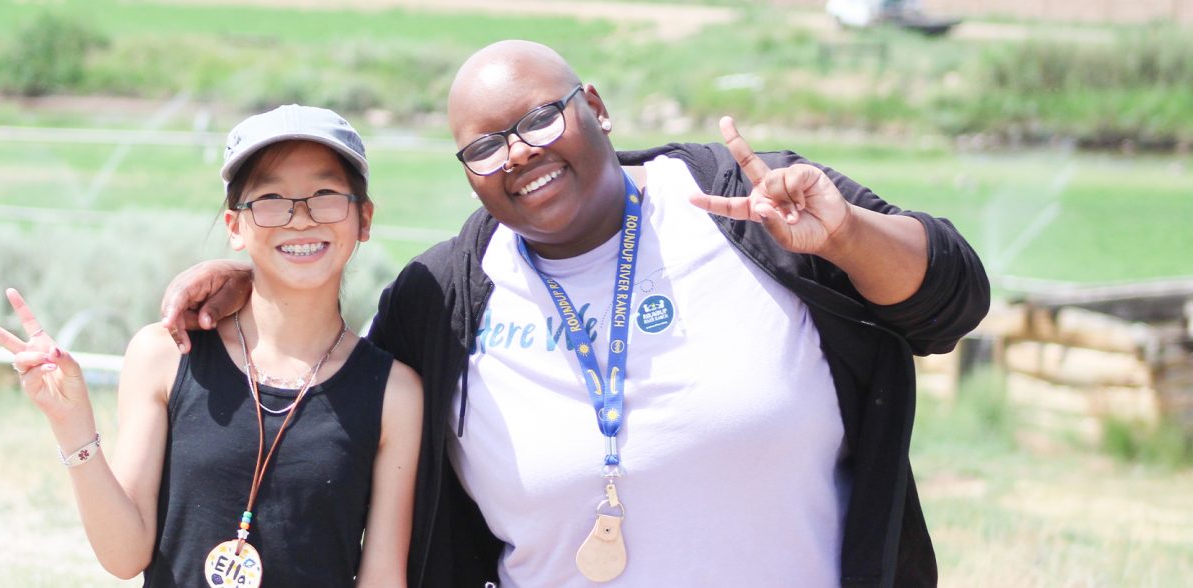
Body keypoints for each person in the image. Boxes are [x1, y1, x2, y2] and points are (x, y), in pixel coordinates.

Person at [160, 41, 989, 587]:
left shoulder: (746, 205)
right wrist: (259, 283)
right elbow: (339, 405)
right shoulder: (442, 297)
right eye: (485, 147)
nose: (519, 153)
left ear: (594, 104)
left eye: (539, 118)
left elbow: (951, 302)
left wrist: (848, 236)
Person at [0, 105, 423, 588]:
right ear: (234, 226)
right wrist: (71, 424)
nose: (300, 218)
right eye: (271, 199)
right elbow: (124, 556)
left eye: (325, 195)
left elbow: (382, 578)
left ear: (363, 218)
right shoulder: (165, 355)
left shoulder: (394, 394)